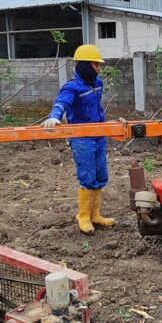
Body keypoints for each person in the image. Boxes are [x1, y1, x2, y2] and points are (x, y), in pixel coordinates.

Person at [42, 44, 115, 235]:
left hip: (99, 135)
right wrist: (55, 116)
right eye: (95, 65)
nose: (98, 69)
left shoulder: (97, 83)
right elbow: (62, 102)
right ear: (84, 65)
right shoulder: (72, 87)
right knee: (87, 177)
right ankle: (83, 216)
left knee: (101, 176)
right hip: (82, 139)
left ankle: (95, 214)